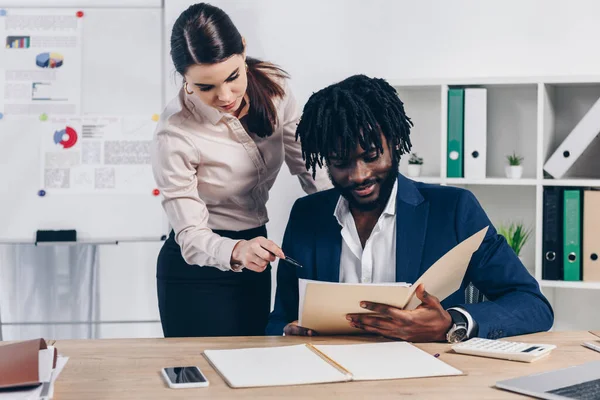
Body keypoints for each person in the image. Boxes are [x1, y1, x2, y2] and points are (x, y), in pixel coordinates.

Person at [266, 75, 554, 342]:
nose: (358, 175)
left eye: (371, 156)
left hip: (425, 378)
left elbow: (532, 304)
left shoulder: (453, 210)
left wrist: (452, 322)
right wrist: (287, 331)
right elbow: (281, 316)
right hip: (329, 378)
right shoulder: (307, 215)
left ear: (394, 144)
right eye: (340, 163)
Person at [151, 3, 330, 338]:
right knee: (203, 384)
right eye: (206, 87)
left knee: (253, 370)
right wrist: (236, 250)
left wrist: (349, 213)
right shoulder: (174, 135)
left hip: (256, 257)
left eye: (233, 76)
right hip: (197, 271)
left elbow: (310, 169)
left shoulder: (275, 88)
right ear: (185, 80)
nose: (225, 95)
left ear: (243, 49)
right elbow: (190, 237)